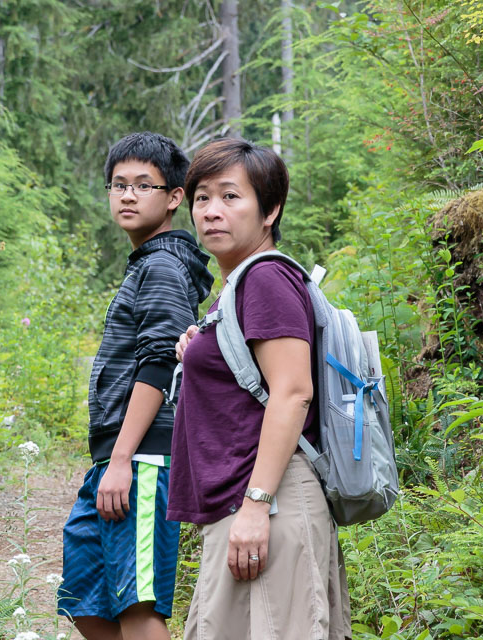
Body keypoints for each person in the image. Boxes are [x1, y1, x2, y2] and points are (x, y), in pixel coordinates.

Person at [168, 138, 351, 640]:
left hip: (269, 499)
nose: (211, 211)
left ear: (270, 211)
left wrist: (256, 505)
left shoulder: (265, 278)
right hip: (251, 499)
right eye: (202, 198)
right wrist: (200, 349)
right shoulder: (237, 287)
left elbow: (293, 392)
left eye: (230, 196)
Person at [58, 132, 214, 640]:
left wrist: (124, 459)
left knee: (137, 606)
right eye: (118, 184)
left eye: (144, 185)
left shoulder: (163, 266)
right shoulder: (146, 263)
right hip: (117, 455)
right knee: (86, 602)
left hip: (142, 457)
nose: (127, 195)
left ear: (173, 197)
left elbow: (160, 364)